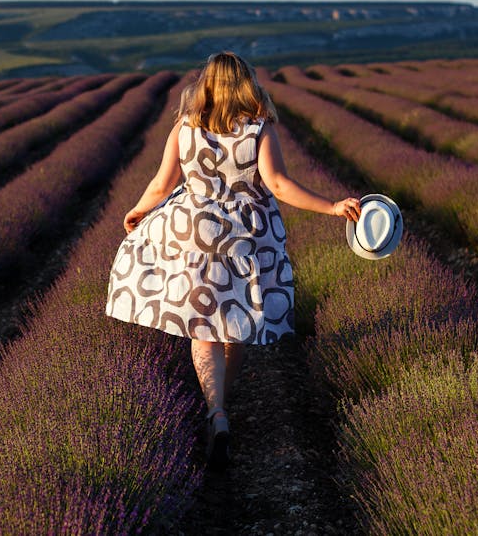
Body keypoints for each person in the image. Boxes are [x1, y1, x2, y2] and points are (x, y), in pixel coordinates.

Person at [106, 52, 361, 469]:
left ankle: (216, 411)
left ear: (205, 85)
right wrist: (332, 207)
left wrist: (137, 211)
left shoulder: (184, 129)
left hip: (194, 231)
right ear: (246, 83)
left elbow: (160, 184)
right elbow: (278, 184)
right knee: (235, 324)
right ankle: (225, 399)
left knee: (201, 327)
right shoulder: (258, 129)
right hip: (244, 236)